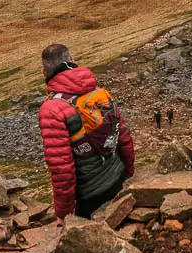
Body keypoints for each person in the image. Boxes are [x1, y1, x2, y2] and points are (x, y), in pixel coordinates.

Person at [38, 44, 134, 221]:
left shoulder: (51, 109)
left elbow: (62, 171)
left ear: (44, 72)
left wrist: (64, 216)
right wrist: (129, 174)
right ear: (72, 60)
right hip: (119, 178)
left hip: (90, 195)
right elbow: (123, 137)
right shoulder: (98, 91)